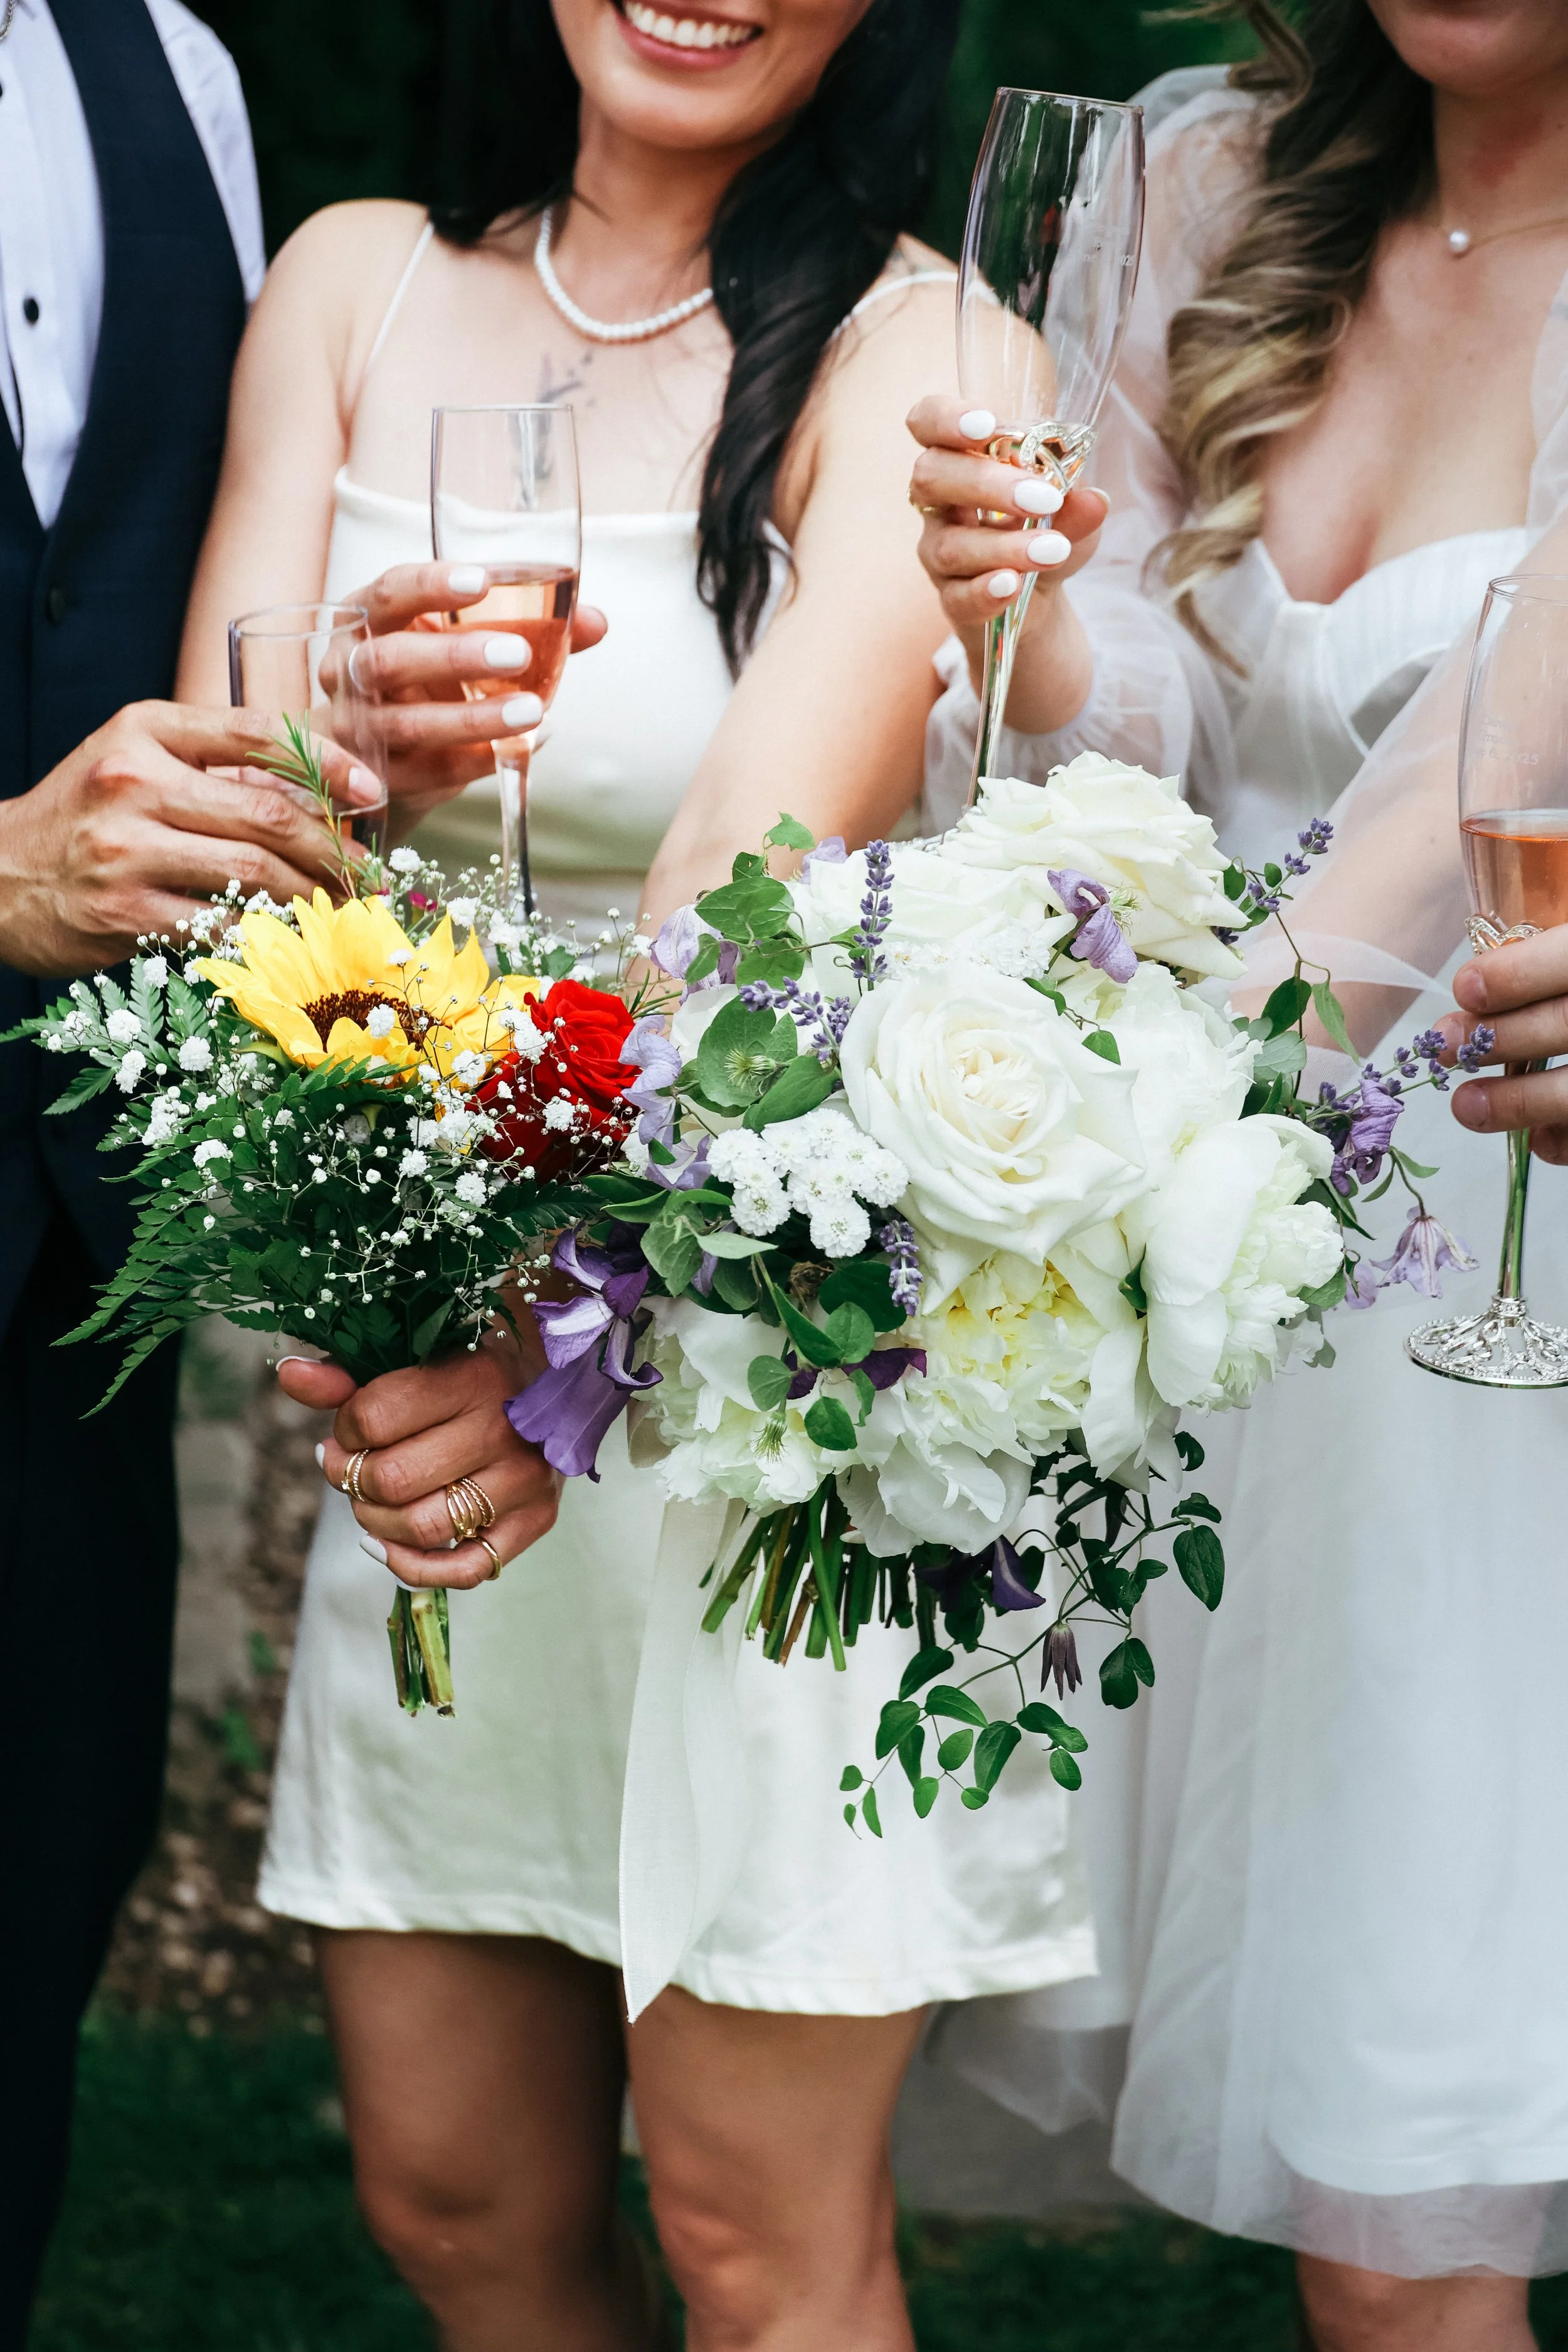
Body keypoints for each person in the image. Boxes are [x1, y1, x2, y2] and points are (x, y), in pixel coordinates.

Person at [176, 4, 1099, 2348]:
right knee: (458, 2199)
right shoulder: (354, 283)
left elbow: (733, 889)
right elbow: (229, 842)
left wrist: (529, 1344)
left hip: (738, 1363)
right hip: (446, 1334)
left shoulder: (927, 343)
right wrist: (343, 760)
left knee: (752, 2242)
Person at [908, 6, 1568, 2348]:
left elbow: (1423, 846)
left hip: (1483, 1234)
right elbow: (1154, 745)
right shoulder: (1207, 187)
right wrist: (1031, 625)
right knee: (1367, 2201)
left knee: (1408, 2207)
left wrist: (1035, 1168)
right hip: (1258, 1267)